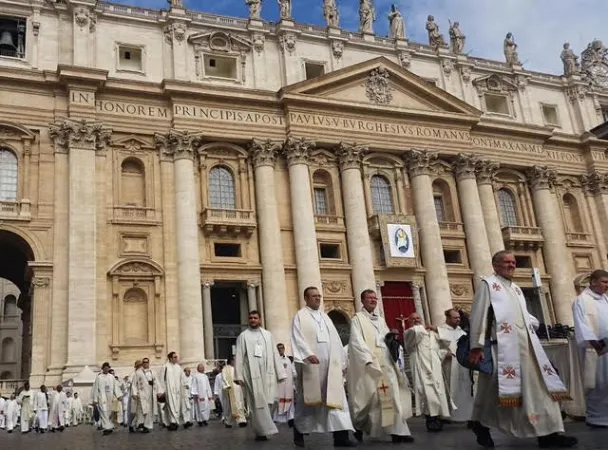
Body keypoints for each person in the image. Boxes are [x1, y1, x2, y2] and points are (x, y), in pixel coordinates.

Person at [468, 250, 577, 448]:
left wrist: (534, 325)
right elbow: (479, 315)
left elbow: (524, 316)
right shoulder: (488, 285)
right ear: (495, 265)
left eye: (513, 262)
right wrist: (476, 346)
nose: (511, 265)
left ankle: (549, 434)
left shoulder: (516, 289)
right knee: (495, 391)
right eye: (506, 262)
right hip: (502, 348)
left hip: (527, 347)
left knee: (542, 389)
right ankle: (479, 423)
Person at [291, 286, 356, 447]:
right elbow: (297, 337)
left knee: (336, 399)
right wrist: (306, 354)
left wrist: (342, 363)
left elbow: (336, 340)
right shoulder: (300, 316)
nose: (318, 298)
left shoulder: (326, 318)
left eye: (319, 296)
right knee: (308, 401)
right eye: (314, 296)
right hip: (312, 366)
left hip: (331, 367)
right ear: (306, 298)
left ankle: (341, 437)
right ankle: (299, 430)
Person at [348, 289, 414, 443]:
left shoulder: (380, 320)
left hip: (386, 362)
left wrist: (392, 338)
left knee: (392, 396)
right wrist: (368, 360)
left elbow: (384, 339)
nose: (373, 300)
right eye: (369, 298)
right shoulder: (357, 319)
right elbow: (356, 342)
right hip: (370, 364)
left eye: (375, 298)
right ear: (362, 301)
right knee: (370, 399)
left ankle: (398, 431)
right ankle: (359, 425)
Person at [235, 310, 286, 441]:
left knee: (271, 399)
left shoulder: (268, 335)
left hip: (267, 371)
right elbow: (239, 355)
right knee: (257, 402)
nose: (252, 320)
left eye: (255, 318)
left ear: (260, 319)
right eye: (250, 318)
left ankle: (263, 427)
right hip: (251, 374)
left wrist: (280, 372)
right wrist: (238, 375)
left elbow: (275, 353)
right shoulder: (243, 336)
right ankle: (262, 431)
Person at [404, 312, 453, 432]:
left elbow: (442, 344)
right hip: (421, 366)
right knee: (427, 394)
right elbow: (415, 336)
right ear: (409, 321)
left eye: (418, 318)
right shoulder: (409, 332)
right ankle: (431, 419)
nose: (416, 320)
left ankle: (438, 417)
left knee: (438, 393)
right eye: (413, 318)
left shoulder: (432, 334)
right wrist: (423, 328)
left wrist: (444, 353)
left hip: (434, 367)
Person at [573, 268, 608, 428]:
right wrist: (596, 344)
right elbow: (582, 325)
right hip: (595, 349)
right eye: (604, 282)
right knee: (597, 382)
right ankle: (596, 417)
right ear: (593, 282)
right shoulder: (581, 300)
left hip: (606, 346)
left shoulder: (605, 299)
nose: (606, 286)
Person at [438, 308, 474, 423]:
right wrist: (444, 353)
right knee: (450, 387)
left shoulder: (462, 332)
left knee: (465, 388)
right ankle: (448, 414)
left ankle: (467, 414)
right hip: (448, 365)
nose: (458, 319)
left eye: (459, 317)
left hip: (463, 366)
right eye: (455, 318)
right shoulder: (440, 331)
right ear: (448, 318)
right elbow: (433, 349)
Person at [158, 351, 190, 430]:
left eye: (176, 357)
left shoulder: (178, 367)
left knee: (176, 406)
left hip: (178, 390)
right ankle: (173, 422)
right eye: (175, 357)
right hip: (169, 390)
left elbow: (182, 377)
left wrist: (185, 384)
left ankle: (171, 422)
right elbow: (161, 379)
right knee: (170, 406)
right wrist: (161, 391)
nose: (176, 359)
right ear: (170, 358)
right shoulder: (165, 367)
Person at [91, 362, 123, 435]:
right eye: (105, 368)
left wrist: (119, 396)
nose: (106, 369)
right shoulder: (99, 377)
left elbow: (115, 387)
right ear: (102, 369)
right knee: (103, 412)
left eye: (107, 368)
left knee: (109, 412)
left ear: (108, 368)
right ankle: (106, 428)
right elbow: (96, 389)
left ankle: (110, 426)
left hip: (110, 397)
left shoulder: (111, 377)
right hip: (102, 397)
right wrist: (95, 399)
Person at [132, 357, 158, 433]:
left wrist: (159, 392)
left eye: (147, 362)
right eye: (144, 362)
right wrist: (134, 393)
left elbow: (156, 382)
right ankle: (139, 424)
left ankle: (146, 425)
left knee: (148, 410)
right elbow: (134, 384)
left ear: (148, 363)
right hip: (141, 394)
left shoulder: (152, 372)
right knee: (142, 410)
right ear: (142, 363)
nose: (145, 363)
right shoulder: (138, 372)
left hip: (150, 394)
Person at [221, 355, 248, 428]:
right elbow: (224, 378)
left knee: (240, 404)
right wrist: (227, 385)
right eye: (234, 360)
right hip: (231, 389)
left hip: (239, 388)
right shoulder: (226, 369)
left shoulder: (238, 368)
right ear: (231, 361)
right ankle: (228, 422)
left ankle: (241, 420)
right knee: (231, 406)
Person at [273, 343, 295, 425]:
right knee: (279, 400)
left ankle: (290, 417)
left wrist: (294, 380)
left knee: (289, 400)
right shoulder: (274, 359)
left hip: (288, 383)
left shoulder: (288, 360)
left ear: (284, 349)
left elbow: (293, 371)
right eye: (279, 348)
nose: (280, 350)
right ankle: (277, 417)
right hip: (279, 384)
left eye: (282, 348)